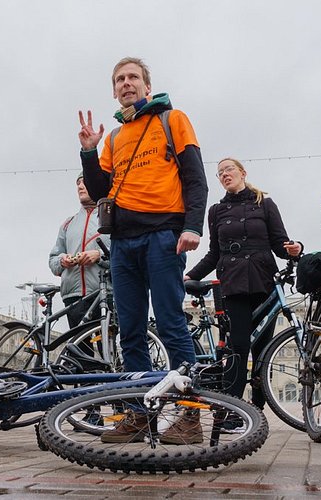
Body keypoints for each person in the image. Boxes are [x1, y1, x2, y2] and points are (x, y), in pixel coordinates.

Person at [78, 57, 208, 443]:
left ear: (147, 87)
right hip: (122, 243)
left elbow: (195, 177)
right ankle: (138, 416)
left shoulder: (173, 119)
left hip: (164, 236)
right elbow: (100, 190)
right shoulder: (115, 138)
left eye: (133, 77)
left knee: (171, 324)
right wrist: (89, 151)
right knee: (130, 333)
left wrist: (192, 227)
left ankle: (190, 417)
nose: (126, 83)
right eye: (119, 79)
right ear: (114, 90)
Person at [184, 158, 302, 413]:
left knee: (263, 350)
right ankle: (232, 410)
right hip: (233, 284)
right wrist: (189, 275)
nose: (224, 174)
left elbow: (280, 243)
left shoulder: (265, 204)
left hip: (263, 282)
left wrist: (295, 249)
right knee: (238, 347)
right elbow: (214, 254)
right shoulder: (216, 211)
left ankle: (257, 408)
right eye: (220, 173)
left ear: (242, 173)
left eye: (229, 169)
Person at [49, 172, 110, 328]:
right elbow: (53, 261)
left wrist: (100, 255)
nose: (80, 187)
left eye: (84, 182)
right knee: (78, 350)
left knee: (108, 349)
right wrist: (62, 260)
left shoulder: (112, 218)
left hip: (106, 294)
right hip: (73, 297)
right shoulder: (68, 224)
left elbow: (125, 255)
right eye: (78, 184)